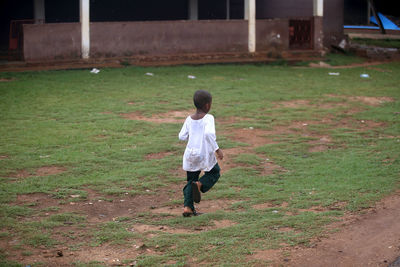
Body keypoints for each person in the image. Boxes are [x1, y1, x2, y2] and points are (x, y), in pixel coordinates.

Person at [179, 90, 223, 217]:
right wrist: (217, 149)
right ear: (207, 105)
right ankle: (200, 184)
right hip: (204, 154)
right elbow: (209, 134)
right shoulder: (208, 118)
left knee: (190, 180)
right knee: (214, 172)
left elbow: (182, 136)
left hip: (190, 155)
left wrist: (193, 134)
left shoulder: (189, 119)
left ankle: (188, 207)